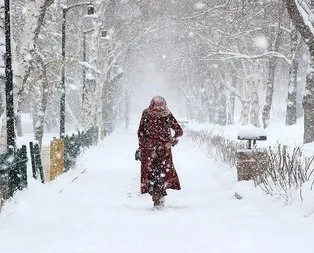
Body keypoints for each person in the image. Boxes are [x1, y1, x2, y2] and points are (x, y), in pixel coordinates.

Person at [137, 96, 183, 208]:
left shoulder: (146, 113)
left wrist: (142, 145)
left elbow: (140, 132)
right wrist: (172, 141)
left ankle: (156, 197)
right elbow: (179, 130)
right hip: (164, 151)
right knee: (162, 173)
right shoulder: (166, 114)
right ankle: (159, 196)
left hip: (149, 151)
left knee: (151, 174)